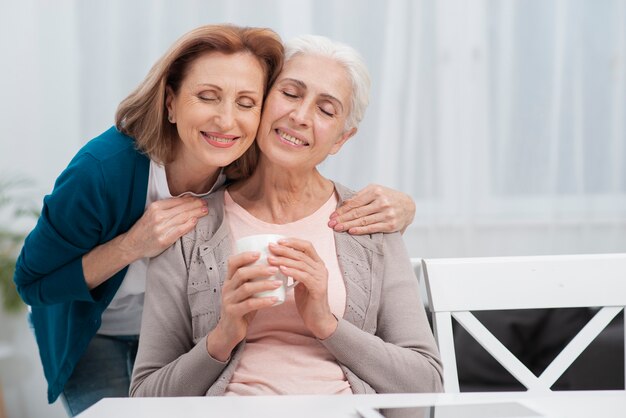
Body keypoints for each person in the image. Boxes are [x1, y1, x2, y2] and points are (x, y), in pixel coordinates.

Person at [13, 25, 418, 416]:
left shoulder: (243, 156)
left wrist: (404, 207)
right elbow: (33, 282)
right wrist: (133, 244)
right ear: (170, 102)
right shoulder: (103, 171)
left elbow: (298, 155)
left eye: (246, 102)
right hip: (97, 329)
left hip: (186, 336)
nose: (226, 121)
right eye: (208, 96)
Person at [130, 34, 443, 397]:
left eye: (326, 110)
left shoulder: (370, 222)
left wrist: (327, 324)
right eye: (291, 94)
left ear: (342, 138)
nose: (300, 116)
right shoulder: (190, 226)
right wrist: (223, 337)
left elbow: (426, 382)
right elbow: (146, 396)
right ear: (261, 101)